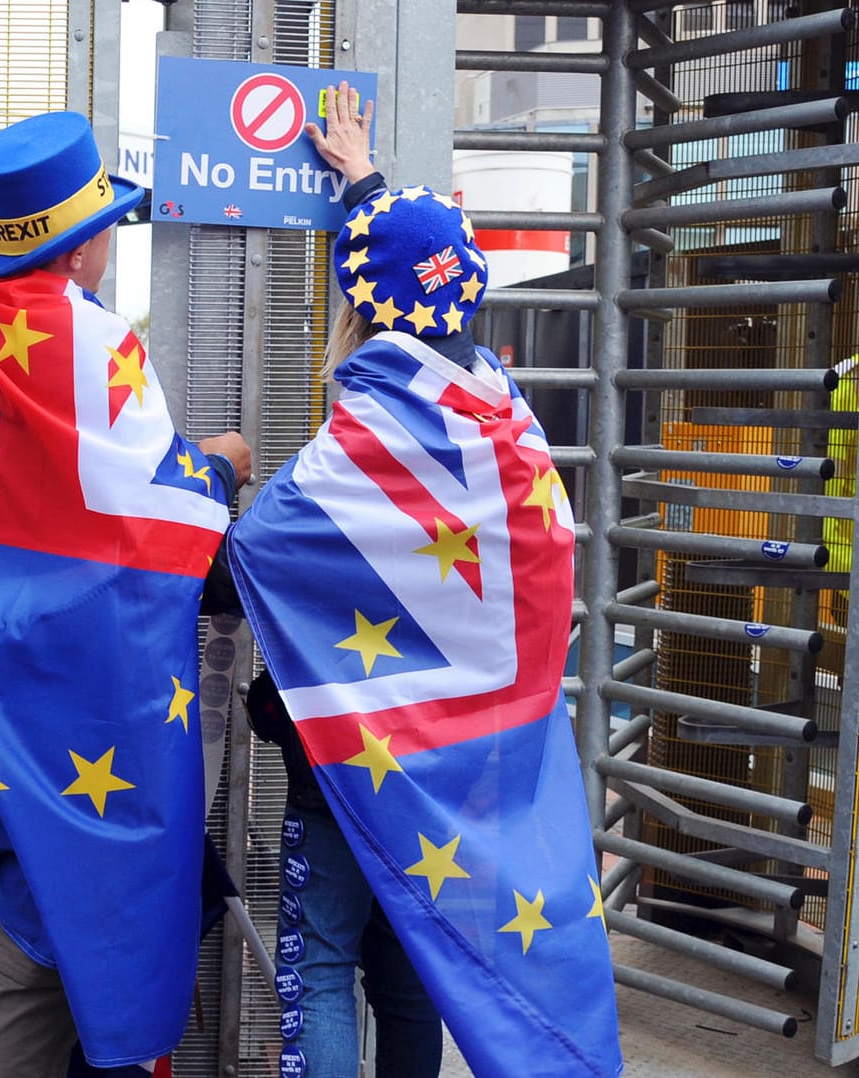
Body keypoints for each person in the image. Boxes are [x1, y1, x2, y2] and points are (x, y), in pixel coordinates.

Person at [219, 81, 620, 1076]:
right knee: (412, 980)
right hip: (457, 789)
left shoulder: (358, 446)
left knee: (317, 972)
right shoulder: (502, 417)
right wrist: (366, 184)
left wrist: (199, 480)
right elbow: (413, 280)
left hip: (345, 773)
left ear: (360, 307)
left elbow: (244, 559)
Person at [0, 110, 252, 1078]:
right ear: (84, 246)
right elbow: (149, 523)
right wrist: (224, 466)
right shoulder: (100, 346)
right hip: (76, 691)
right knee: (47, 922)